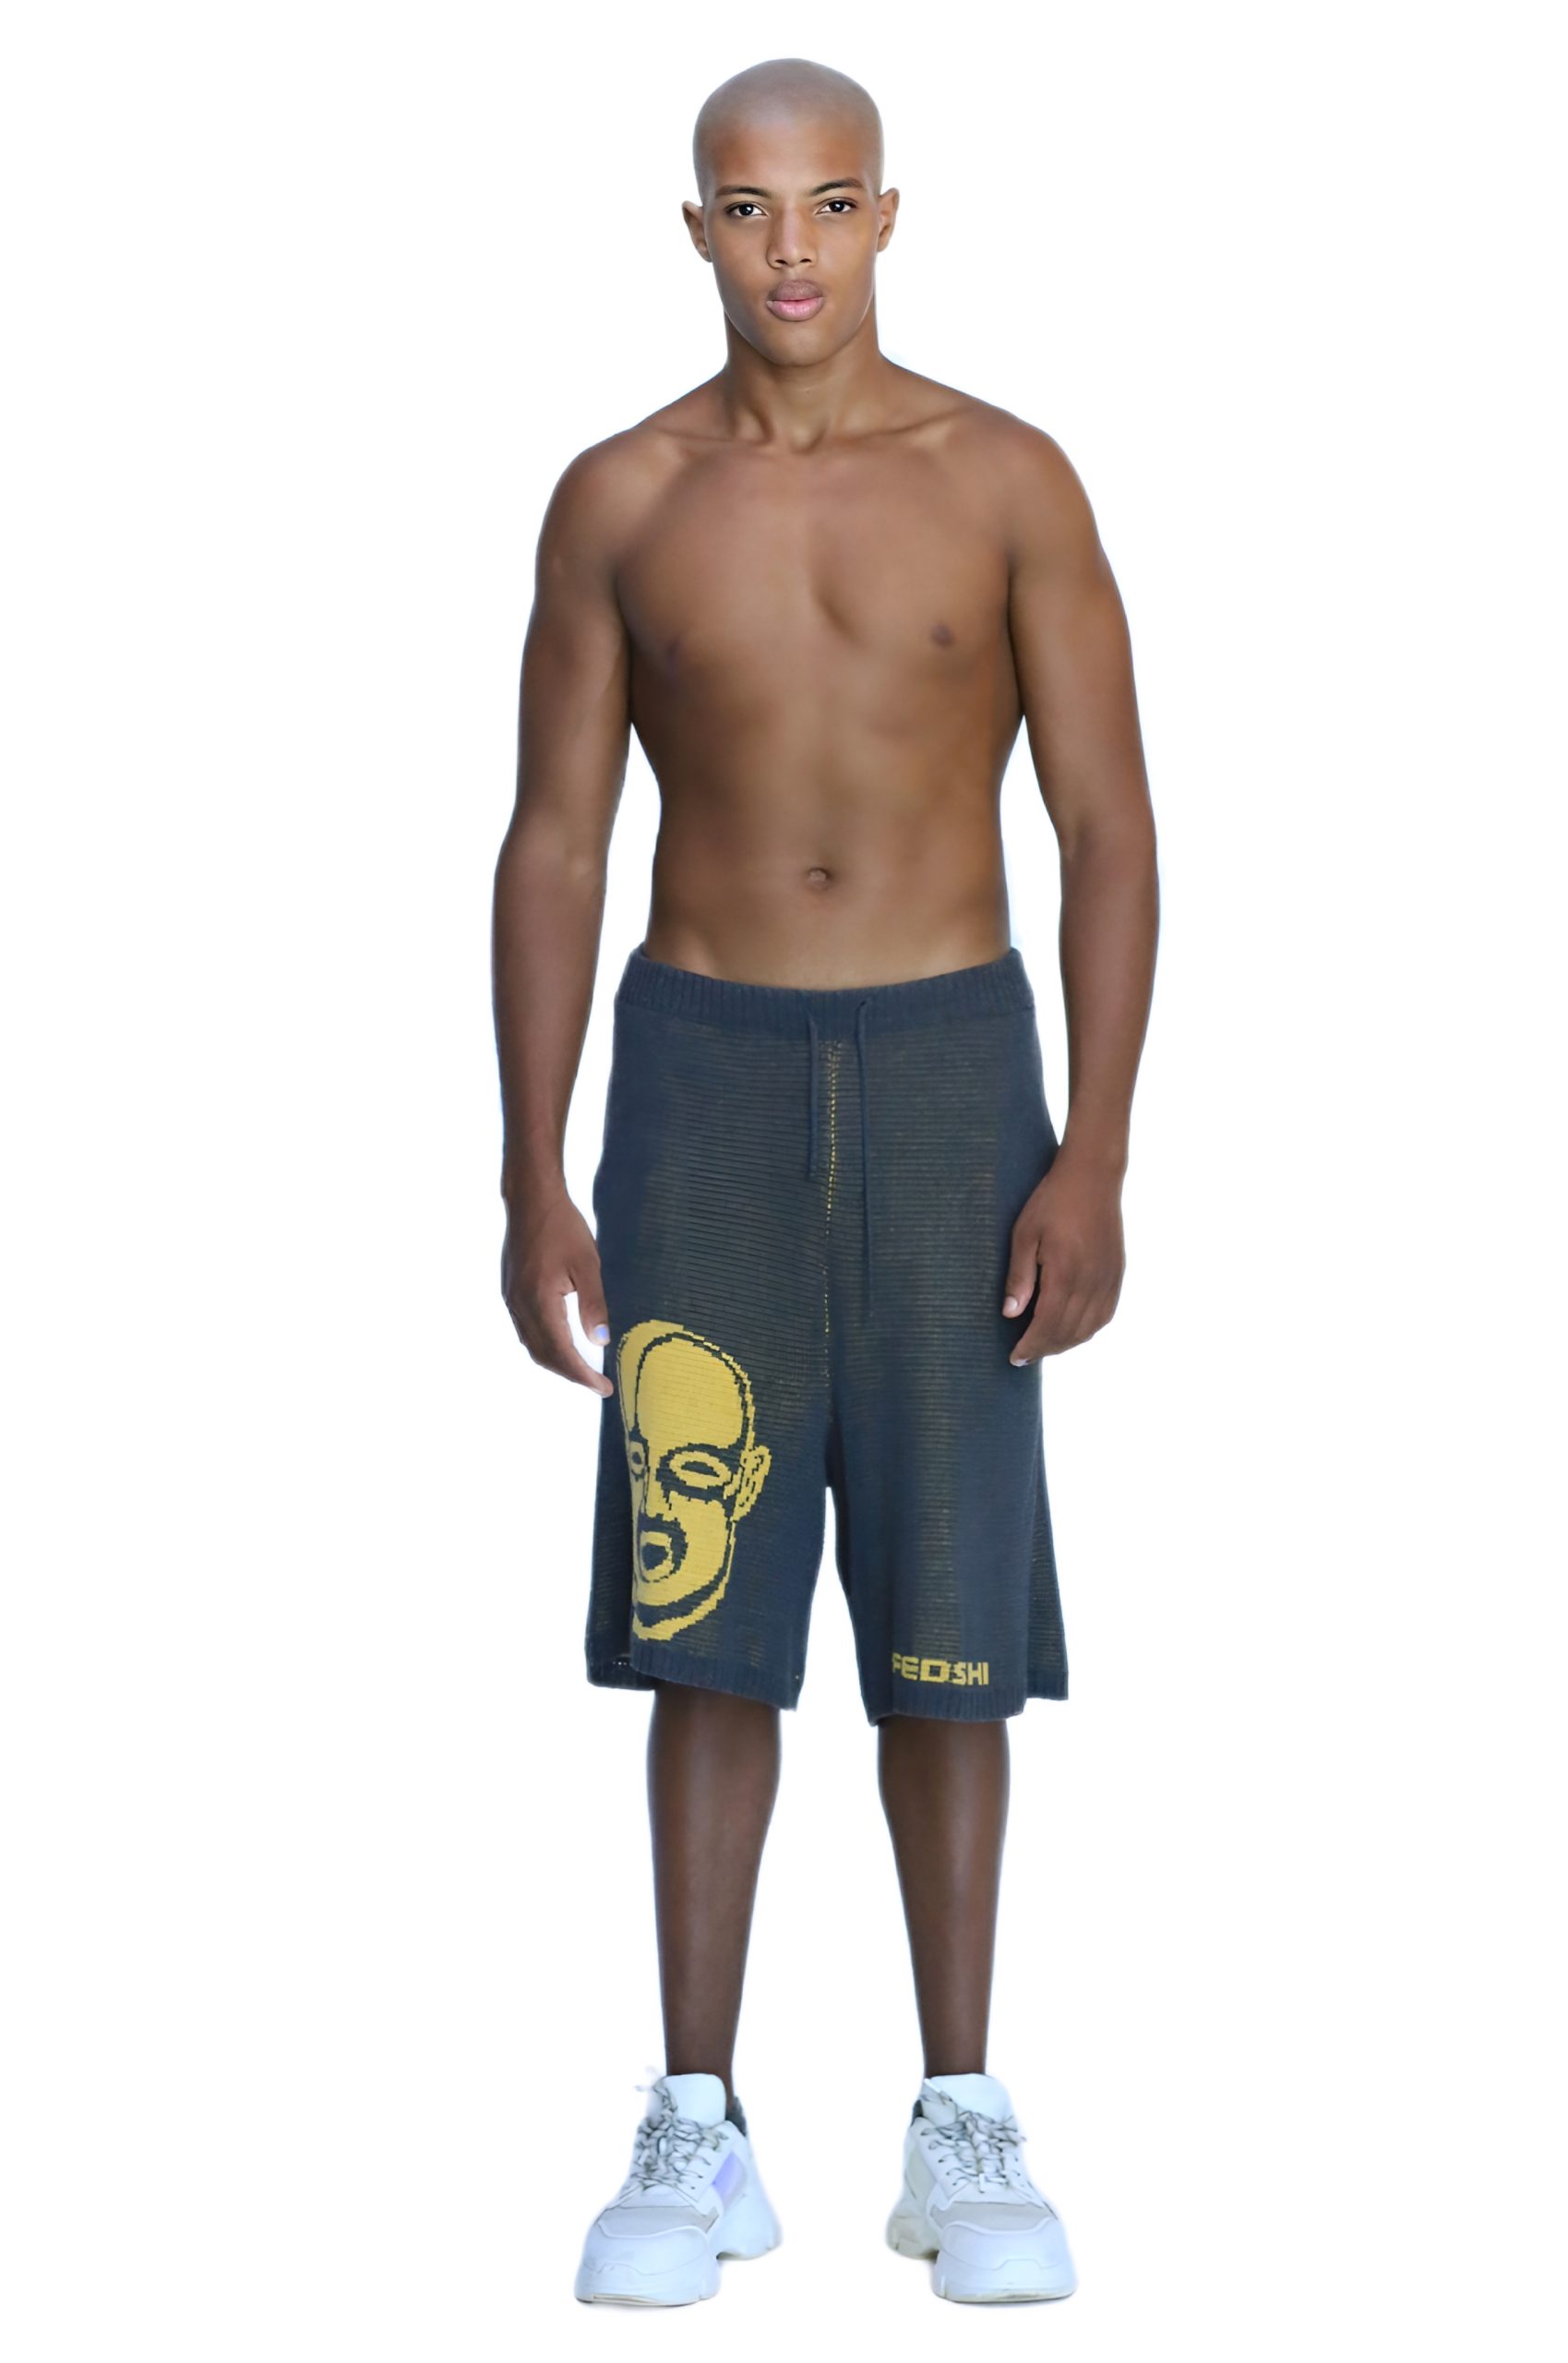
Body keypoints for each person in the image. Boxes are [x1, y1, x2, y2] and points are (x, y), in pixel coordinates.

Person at [492, 55, 1158, 2309]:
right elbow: (555, 840)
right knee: (705, 1600)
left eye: (832, 202)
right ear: (695, 226)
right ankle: (696, 2116)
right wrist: (531, 1166)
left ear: (887, 215)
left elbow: (1110, 825)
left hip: (955, 1061)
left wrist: (1096, 1143)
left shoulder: (1005, 477)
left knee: (949, 1618)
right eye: (749, 206)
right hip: (703, 1072)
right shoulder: (620, 497)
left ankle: (958, 2111)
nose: (791, 247)